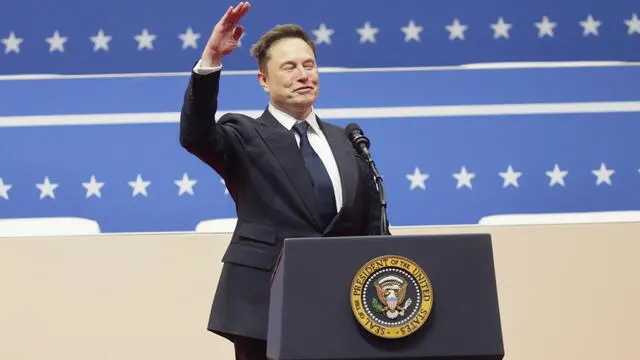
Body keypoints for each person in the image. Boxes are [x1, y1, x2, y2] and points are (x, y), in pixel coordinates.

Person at [179, 2, 383, 359]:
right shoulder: (243, 134)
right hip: (265, 308)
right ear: (263, 79)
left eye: (309, 65)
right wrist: (211, 58)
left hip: (346, 308)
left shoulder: (348, 141)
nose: (303, 75)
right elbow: (195, 134)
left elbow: (372, 229)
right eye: (289, 67)